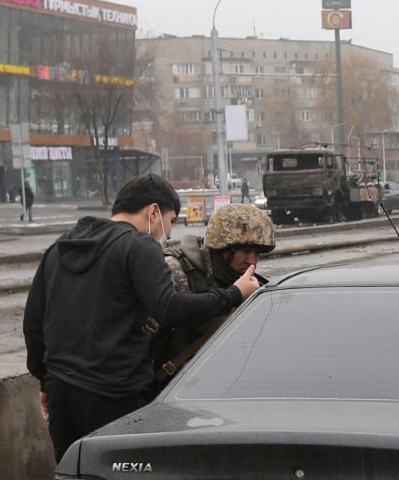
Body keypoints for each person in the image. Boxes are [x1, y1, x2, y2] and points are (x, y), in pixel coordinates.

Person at [23, 174, 260, 462]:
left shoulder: (62, 246)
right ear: (153, 212)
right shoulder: (139, 246)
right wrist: (233, 294)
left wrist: (45, 382)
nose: (165, 234)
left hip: (63, 393)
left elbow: (34, 322)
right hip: (115, 394)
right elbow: (169, 308)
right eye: (170, 222)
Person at [150, 202, 275, 394]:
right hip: (169, 391)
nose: (253, 261)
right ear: (223, 248)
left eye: (257, 253)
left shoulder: (248, 283)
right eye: (246, 251)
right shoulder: (175, 271)